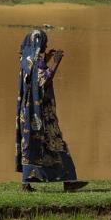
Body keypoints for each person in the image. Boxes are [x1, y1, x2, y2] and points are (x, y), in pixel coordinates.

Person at [15, 29, 86, 192]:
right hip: (42, 114)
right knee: (57, 143)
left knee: (31, 145)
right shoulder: (35, 62)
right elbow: (42, 80)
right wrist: (56, 62)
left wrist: (45, 59)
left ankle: (26, 183)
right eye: (44, 44)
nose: (46, 46)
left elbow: (33, 78)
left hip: (27, 113)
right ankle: (69, 181)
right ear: (38, 43)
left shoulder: (25, 60)